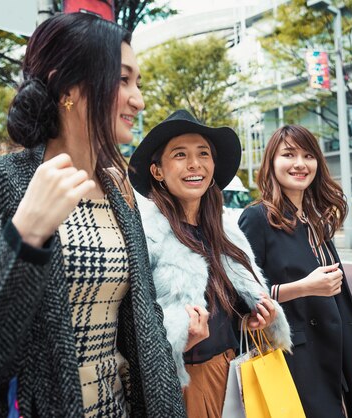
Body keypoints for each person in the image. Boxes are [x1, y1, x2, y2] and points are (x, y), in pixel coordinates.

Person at [0, 14, 185, 418]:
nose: (139, 99)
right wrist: (25, 237)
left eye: (138, 83)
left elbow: (142, 321)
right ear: (68, 86)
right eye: (122, 80)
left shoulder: (120, 191)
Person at [128, 110, 292, 418]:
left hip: (237, 375)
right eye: (180, 154)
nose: (194, 164)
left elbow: (232, 308)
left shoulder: (227, 231)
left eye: (203, 153)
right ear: (158, 171)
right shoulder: (146, 237)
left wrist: (256, 316)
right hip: (186, 384)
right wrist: (177, 341)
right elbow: (132, 326)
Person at [238, 125, 352, 418]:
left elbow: (333, 295)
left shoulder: (314, 219)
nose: (299, 163)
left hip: (333, 351)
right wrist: (303, 287)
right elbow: (239, 295)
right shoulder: (257, 218)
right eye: (288, 154)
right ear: (271, 162)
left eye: (308, 155)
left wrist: (350, 344)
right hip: (294, 357)